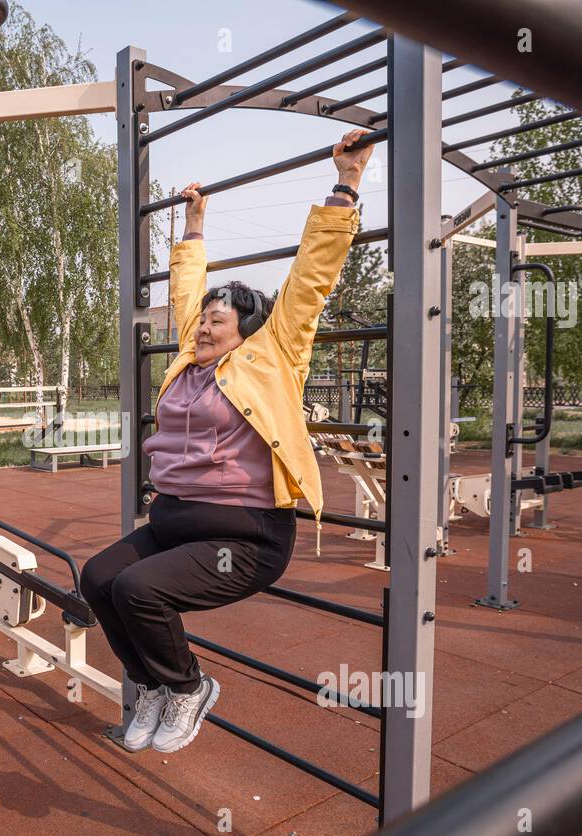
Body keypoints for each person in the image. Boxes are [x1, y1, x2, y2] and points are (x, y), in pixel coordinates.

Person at [80, 128, 372, 754]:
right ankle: (153, 683)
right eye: (203, 319)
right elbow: (186, 293)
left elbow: (310, 280)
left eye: (219, 319)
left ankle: (187, 687)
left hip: (243, 537)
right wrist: (192, 225)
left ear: (248, 330)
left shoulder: (273, 356)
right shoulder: (188, 361)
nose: (205, 324)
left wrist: (345, 184)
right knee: (99, 576)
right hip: (174, 524)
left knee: (138, 590)